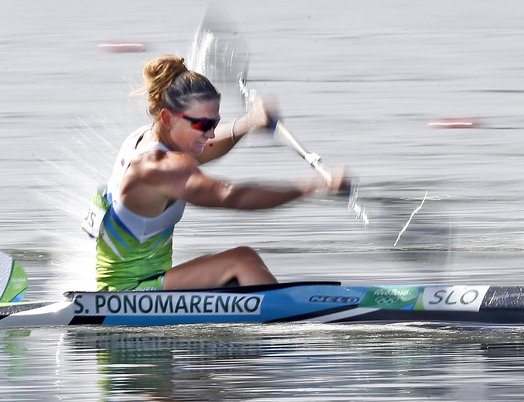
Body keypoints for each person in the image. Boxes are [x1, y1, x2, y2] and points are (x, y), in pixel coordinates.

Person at [93, 55, 346, 292]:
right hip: (130, 293)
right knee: (242, 261)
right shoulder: (159, 168)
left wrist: (250, 121)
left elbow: (208, 148)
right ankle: (296, 322)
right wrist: (314, 187)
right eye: (203, 125)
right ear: (167, 118)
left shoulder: (144, 138)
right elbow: (230, 196)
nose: (211, 133)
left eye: (214, 122)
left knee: (244, 260)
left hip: (138, 282)